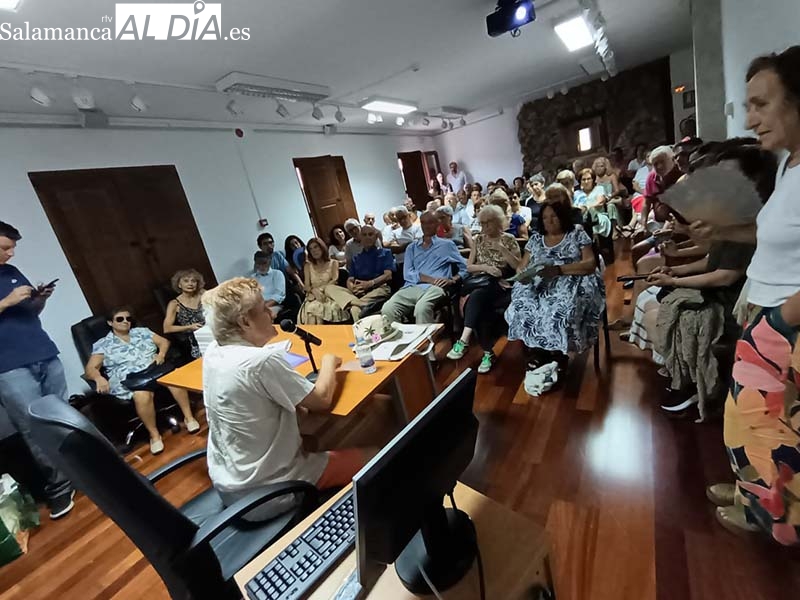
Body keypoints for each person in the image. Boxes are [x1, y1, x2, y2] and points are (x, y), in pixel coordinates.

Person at [702, 46, 800, 544]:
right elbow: (773, 236)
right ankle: (749, 496)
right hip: (765, 312)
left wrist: (781, 319)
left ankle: (772, 517)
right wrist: (723, 231)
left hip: (786, 323)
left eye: (762, 104)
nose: (751, 118)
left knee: (768, 431)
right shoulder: (787, 165)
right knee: (743, 420)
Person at [201, 277, 375, 520]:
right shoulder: (261, 362)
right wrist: (328, 362)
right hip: (271, 492)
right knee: (377, 453)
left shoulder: (214, 353)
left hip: (229, 486)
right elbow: (323, 399)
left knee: (315, 428)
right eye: (263, 309)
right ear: (245, 322)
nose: (271, 314)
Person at [0, 221, 75, 519]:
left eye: (13, 247)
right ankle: (60, 488)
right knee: (34, 428)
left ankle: (87, 474)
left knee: (64, 417)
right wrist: (6, 301)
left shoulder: (11, 272)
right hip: (9, 365)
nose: (12, 253)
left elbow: (29, 312)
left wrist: (39, 300)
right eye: (5, 247)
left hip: (43, 351)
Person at [504, 201, 604, 376]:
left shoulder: (576, 232)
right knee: (522, 306)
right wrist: (523, 274)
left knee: (560, 310)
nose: (549, 221)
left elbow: (590, 263)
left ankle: (558, 354)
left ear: (562, 217)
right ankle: (539, 352)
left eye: (553, 217)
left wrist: (559, 270)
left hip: (571, 278)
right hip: (540, 282)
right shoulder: (535, 239)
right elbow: (522, 265)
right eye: (544, 218)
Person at [85, 307, 199, 455]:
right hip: (130, 379)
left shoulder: (142, 332)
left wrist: (161, 354)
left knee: (173, 379)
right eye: (120, 319)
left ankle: (189, 418)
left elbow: (164, 342)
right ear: (110, 323)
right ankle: (154, 435)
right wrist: (98, 378)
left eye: (128, 319)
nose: (125, 322)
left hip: (154, 370)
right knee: (142, 395)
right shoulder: (103, 344)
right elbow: (90, 369)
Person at [446, 205, 521, 373]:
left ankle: (465, 341)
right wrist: (486, 268)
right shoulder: (479, 239)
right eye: (482, 223)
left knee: (477, 299)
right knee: (479, 301)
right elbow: (469, 266)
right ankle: (485, 352)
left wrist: (502, 249)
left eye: (488, 223)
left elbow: (518, 267)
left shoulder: (509, 238)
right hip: (483, 282)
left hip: (503, 284)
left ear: (498, 222)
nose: (485, 227)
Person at [381, 211, 467, 325]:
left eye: (430, 222)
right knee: (387, 309)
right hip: (412, 286)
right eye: (423, 223)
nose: (426, 226)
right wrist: (429, 279)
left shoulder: (447, 245)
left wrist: (453, 279)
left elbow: (465, 268)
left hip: (436, 287)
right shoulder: (412, 247)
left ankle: (426, 341)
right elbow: (407, 273)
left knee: (422, 308)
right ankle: (401, 341)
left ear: (437, 224)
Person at [346, 225, 396, 320]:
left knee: (354, 309)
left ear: (376, 237)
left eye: (370, 234)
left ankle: (352, 303)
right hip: (360, 291)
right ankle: (357, 302)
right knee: (330, 288)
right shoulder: (356, 258)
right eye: (364, 235)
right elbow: (350, 279)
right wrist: (352, 288)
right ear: (360, 237)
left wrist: (370, 283)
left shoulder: (385, 253)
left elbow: (388, 275)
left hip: (380, 288)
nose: (367, 237)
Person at [297, 238, 352, 324]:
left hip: (328, 295)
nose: (314, 251)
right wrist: (313, 291)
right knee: (312, 309)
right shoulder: (307, 266)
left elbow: (334, 280)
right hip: (313, 295)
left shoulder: (333, 263)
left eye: (316, 247)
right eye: (311, 249)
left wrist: (320, 291)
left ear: (322, 247)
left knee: (316, 308)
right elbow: (306, 286)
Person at [163, 268, 206, 361]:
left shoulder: (203, 294)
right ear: (179, 285)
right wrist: (189, 327)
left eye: (193, 281)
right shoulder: (174, 304)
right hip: (195, 339)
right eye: (186, 281)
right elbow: (167, 328)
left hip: (212, 331)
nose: (190, 284)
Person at [249, 251, 286, 317]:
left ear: (269, 261)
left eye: (264, 263)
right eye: (258, 264)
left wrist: (264, 307)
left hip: (272, 305)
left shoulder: (277, 274)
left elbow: (279, 295)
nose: (261, 266)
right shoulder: (252, 277)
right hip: (256, 306)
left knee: (263, 316)